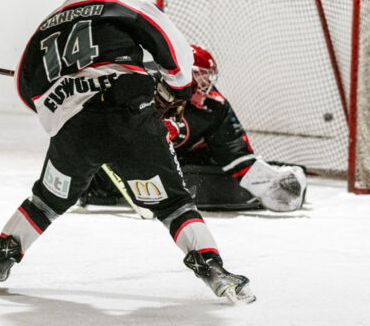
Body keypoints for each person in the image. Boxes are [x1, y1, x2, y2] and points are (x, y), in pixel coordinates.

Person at [0, 0, 255, 304]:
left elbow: (26, 89)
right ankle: (212, 268)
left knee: (45, 201)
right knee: (174, 206)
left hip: (73, 130)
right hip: (130, 120)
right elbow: (174, 50)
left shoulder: (45, 25)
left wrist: (63, 105)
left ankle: (2, 257)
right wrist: (177, 86)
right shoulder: (123, 4)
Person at [81, 44, 307, 213]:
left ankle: (277, 177)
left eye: (208, 78)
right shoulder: (145, 90)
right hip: (142, 160)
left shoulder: (213, 106)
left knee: (204, 176)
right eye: (200, 77)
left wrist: (266, 181)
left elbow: (234, 152)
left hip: (181, 162)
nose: (206, 85)